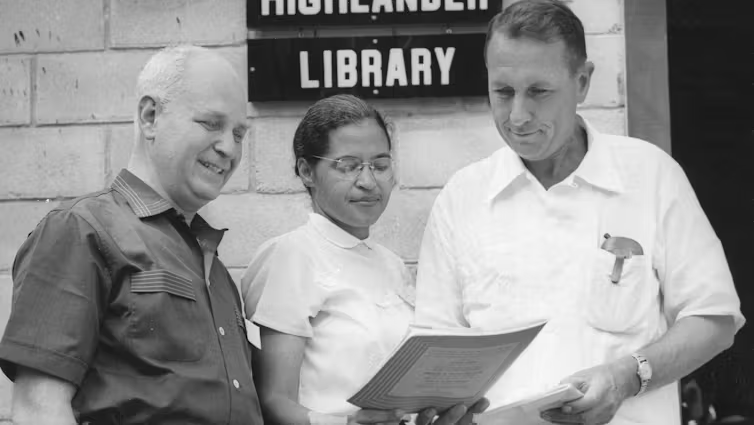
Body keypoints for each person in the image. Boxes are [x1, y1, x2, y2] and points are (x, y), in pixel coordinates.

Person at [414, 0, 745, 425]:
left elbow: (714, 320)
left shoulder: (650, 175)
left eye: (538, 92)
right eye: (503, 92)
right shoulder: (461, 197)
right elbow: (433, 346)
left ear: (583, 82)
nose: (517, 116)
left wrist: (629, 376)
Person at [0, 45, 263, 424]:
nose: (229, 147)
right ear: (151, 116)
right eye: (210, 124)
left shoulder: (214, 268)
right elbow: (39, 408)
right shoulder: (81, 229)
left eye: (239, 133)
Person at [241, 94, 489, 425]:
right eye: (348, 165)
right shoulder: (289, 257)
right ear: (306, 171)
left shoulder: (392, 265)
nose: (368, 181)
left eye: (380, 165)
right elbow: (272, 401)